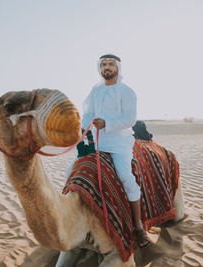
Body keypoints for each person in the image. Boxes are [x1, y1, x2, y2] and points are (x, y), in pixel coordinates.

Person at [66, 54, 149, 248]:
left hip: (120, 142)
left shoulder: (127, 91)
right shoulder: (95, 91)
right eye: (104, 64)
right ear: (100, 68)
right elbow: (87, 115)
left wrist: (107, 124)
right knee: (71, 170)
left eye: (111, 64)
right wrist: (81, 129)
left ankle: (138, 226)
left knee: (125, 176)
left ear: (118, 68)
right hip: (98, 142)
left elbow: (130, 120)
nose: (107, 67)